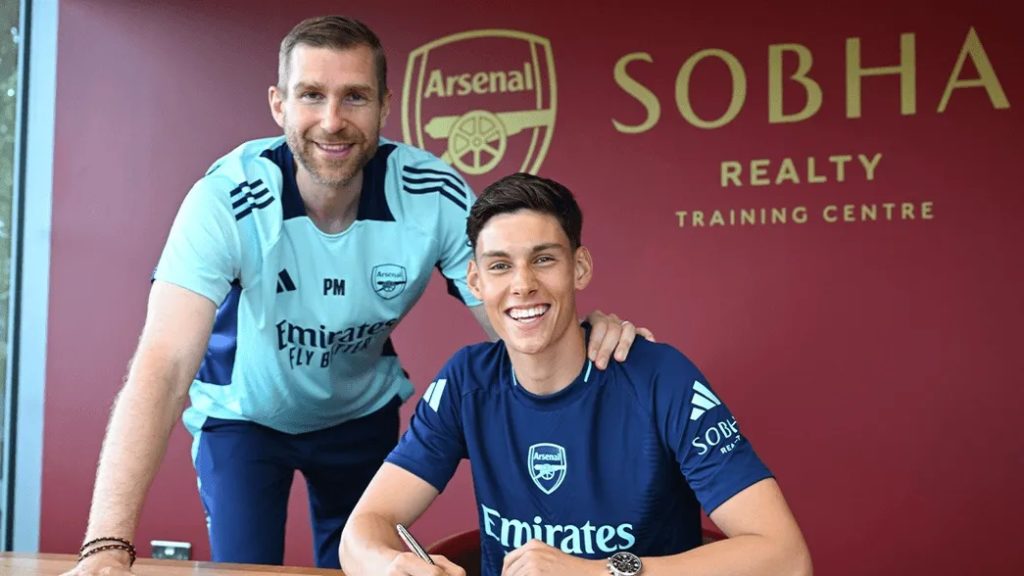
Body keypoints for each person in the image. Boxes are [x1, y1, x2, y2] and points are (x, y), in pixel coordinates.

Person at [66, 16, 649, 575]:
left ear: (385, 107)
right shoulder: (226, 198)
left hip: (359, 415)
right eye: (311, 95)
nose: (332, 120)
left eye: (354, 97)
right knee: (243, 571)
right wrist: (106, 545)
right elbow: (164, 365)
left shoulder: (432, 193)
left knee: (367, 566)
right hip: (244, 417)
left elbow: (513, 311)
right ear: (279, 105)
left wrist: (583, 342)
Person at [339, 173, 813, 576]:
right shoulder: (467, 382)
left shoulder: (659, 377)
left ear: (578, 268)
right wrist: (391, 567)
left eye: (543, 259)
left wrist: (600, 572)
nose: (523, 284)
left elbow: (786, 557)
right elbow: (366, 525)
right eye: (500, 266)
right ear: (476, 282)